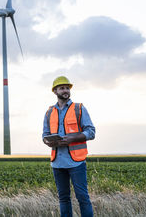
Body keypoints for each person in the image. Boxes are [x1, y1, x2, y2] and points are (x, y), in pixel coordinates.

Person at [42, 76, 95, 217]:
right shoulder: (49, 112)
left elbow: (91, 132)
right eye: (62, 88)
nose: (65, 90)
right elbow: (44, 135)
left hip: (76, 162)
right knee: (63, 199)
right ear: (55, 91)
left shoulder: (79, 108)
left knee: (83, 198)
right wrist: (50, 141)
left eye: (67, 88)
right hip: (57, 163)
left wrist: (72, 138)